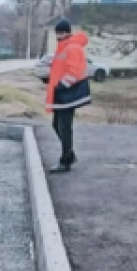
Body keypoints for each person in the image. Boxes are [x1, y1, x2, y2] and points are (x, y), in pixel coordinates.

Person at [45, 19, 91, 173]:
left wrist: (62, 85)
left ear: (68, 32)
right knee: (57, 125)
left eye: (61, 32)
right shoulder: (63, 47)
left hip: (67, 95)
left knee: (64, 127)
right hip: (61, 95)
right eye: (57, 33)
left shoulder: (71, 48)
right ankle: (69, 154)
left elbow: (74, 71)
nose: (59, 35)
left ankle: (65, 161)